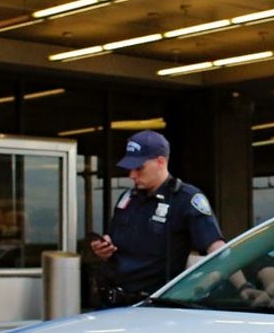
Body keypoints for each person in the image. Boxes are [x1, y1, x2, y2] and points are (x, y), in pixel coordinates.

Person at [89, 130, 225, 306]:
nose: (132, 175)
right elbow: (116, 243)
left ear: (160, 162)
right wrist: (104, 249)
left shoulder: (185, 198)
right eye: (130, 168)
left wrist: (242, 286)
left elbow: (216, 248)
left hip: (152, 306)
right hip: (112, 303)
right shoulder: (128, 198)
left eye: (139, 168)